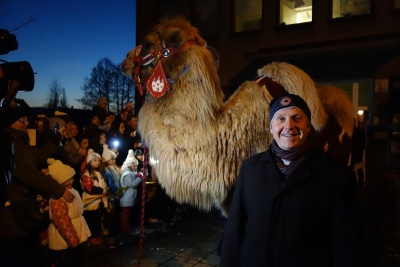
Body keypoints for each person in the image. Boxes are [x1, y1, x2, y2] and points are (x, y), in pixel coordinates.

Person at [219, 93, 365, 267]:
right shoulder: (250, 168)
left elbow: (346, 244)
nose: (289, 126)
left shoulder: (336, 175)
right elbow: (235, 228)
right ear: (271, 127)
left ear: (308, 126)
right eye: (281, 118)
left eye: (297, 118)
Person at [0, 102, 75, 267]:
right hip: (15, 212)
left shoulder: (19, 141)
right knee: (18, 253)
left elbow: (34, 161)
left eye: (26, 120)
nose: (27, 123)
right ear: (9, 123)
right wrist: (58, 189)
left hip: (21, 210)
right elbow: (28, 174)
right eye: (22, 120)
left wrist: (54, 142)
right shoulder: (10, 143)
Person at [47, 158, 91, 267]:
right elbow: (63, 222)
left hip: (74, 234)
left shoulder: (71, 190)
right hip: (65, 240)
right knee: (67, 261)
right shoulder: (59, 198)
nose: (72, 178)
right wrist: (73, 240)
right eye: (69, 177)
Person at [81, 149, 108, 241]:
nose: (97, 162)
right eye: (95, 160)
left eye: (99, 160)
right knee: (92, 221)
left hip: (98, 202)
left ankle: (98, 234)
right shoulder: (87, 175)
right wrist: (101, 190)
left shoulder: (99, 173)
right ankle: (92, 237)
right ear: (89, 162)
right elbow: (89, 188)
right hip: (91, 203)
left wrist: (106, 188)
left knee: (98, 219)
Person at [119, 149, 142, 235]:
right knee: (125, 215)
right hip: (127, 198)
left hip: (130, 197)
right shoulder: (127, 174)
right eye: (134, 165)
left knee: (129, 215)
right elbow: (133, 184)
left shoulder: (131, 173)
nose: (135, 166)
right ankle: (125, 230)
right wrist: (140, 178)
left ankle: (128, 228)